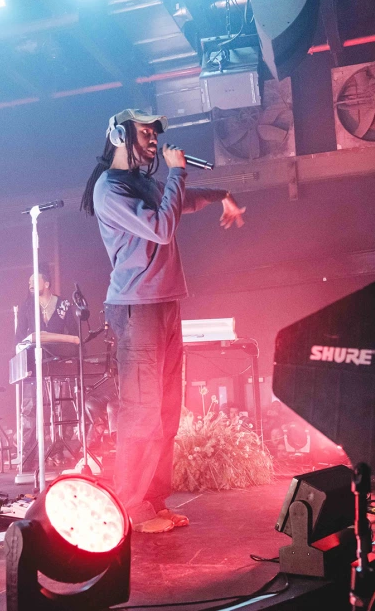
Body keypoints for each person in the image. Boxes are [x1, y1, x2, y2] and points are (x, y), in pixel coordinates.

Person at [82, 108, 246, 533]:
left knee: (167, 412)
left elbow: (181, 202)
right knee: (141, 412)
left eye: (156, 135)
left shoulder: (141, 183)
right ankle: (132, 508)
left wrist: (220, 192)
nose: (154, 141)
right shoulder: (109, 189)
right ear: (119, 134)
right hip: (136, 308)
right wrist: (177, 174)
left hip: (165, 302)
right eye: (145, 133)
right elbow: (161, 227)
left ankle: (155, 501)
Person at [14, 264, 81, 473]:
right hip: (35, 364)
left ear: (47, 283)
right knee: (31, 409)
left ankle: (62, 450)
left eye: (35, 281)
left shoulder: (63, 305)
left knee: (63, 407)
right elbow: (18, 338)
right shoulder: (27, 307)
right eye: (29, 282)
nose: (31, 285)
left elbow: (75, 333)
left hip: (59, 363)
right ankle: (29, 455)